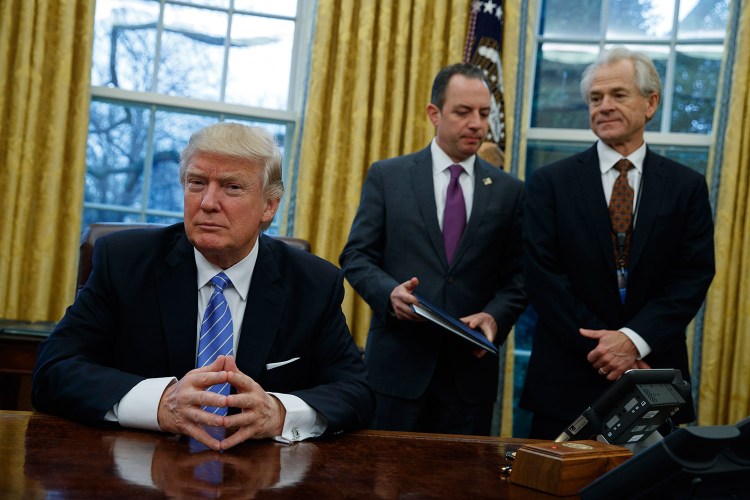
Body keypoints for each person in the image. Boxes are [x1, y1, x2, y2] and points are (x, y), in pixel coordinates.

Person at [32, 122, 374, 451]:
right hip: (138, 466)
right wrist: (160, 403)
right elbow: (53, 370)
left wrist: (279, 412)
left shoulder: (313, 283)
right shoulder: (124, 262)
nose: (208, 202)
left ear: (270, 206)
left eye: (232, 187)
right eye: (196, 183)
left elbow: (356, 391)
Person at [520, 47, 715, 439]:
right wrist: (610, 352)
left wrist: (633, 341)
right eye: (595, 98)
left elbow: (692, 276)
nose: (604, 106)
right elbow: (542, 276)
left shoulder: (686, 187)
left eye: (618, 95)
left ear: (651, 103)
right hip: (567, 378)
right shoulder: (549, 183)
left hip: (651, 376)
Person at [339, 63, 526, 435]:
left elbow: (519, 277)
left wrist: (494, 317)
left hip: (469, 378)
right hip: (397, 370)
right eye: (463, 112)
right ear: (434, 114)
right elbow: (356, 256)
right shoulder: (388, 176)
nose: (477, 123)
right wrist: (388, 293)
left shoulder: (510, 191)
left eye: (484, 114)